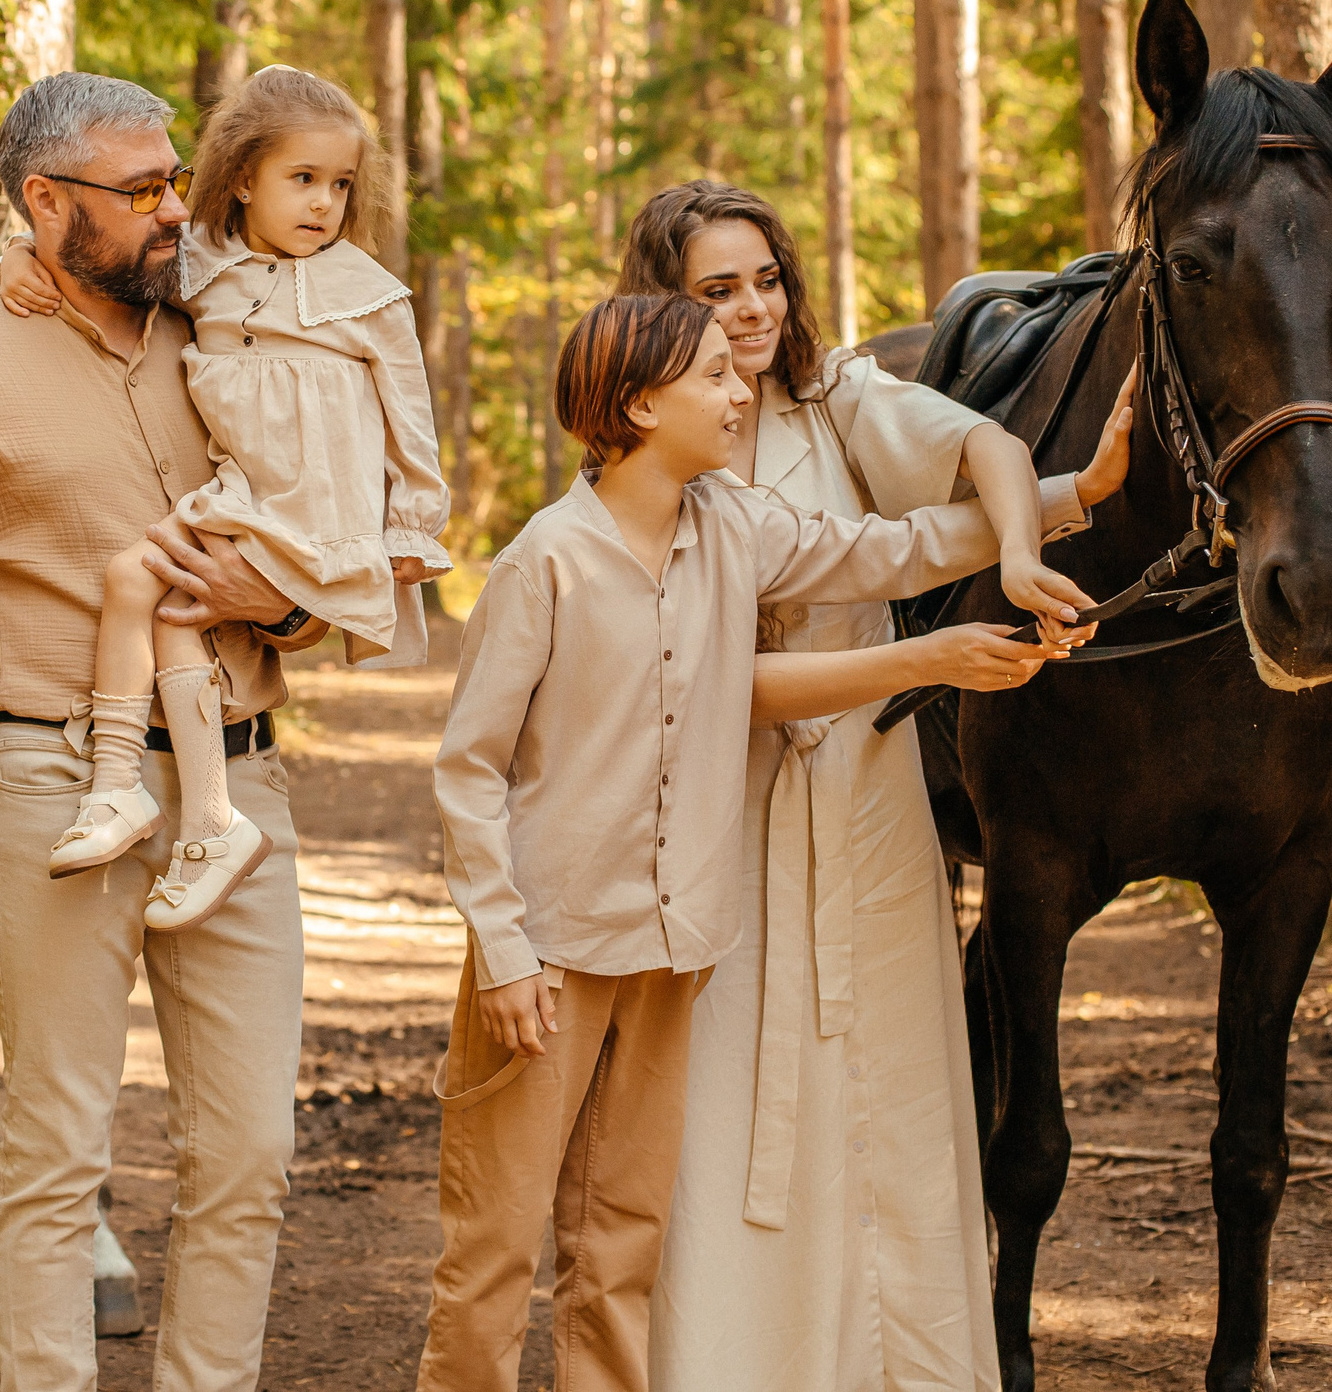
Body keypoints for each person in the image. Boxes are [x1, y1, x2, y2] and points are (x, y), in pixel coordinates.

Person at [415, 293, 1100, 1392]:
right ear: (638, 404)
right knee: (494, 1252)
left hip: (674, 951)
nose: (743, 391)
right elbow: (468, 770)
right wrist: (499, 949)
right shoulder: (544, 562)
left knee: (621, 1243)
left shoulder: (735, 526)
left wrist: (1065, 502)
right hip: (544, 958)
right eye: (713, 379)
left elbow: (896, 547)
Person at [0, 72, 323, 1392]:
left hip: (243, 788)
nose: (172, 212)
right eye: (140, 191)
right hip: (50, 786)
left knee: (249, 1149)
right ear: (45, 204)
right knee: (57, 1150)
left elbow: (333, 524)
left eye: (173, 184)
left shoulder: (235, 324)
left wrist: (286, 600)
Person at [618, 181, 1133, 1392]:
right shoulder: (652, 445)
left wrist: (1025, 540)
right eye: (714, 290)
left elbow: (980, 451)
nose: (750, 309)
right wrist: (929, 657)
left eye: (764, 280)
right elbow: (714, 680)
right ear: (662, 306)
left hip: (870, 795)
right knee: (737, 1094)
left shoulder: (830, 398)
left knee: (897, 1086)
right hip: (722, 809)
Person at [0, 64, 449, 935]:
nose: (324, 204)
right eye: (302, 180)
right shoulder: (202, 267)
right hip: (243, 499)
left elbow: (408, 416)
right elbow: (100, 267)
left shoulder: (368, 292)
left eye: (341, 186)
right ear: (241, 180)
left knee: (171, 609)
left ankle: (203, 818)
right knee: (132, 580)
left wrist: (414, 524)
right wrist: (12, 255)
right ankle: (121, 789)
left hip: (314, 510)